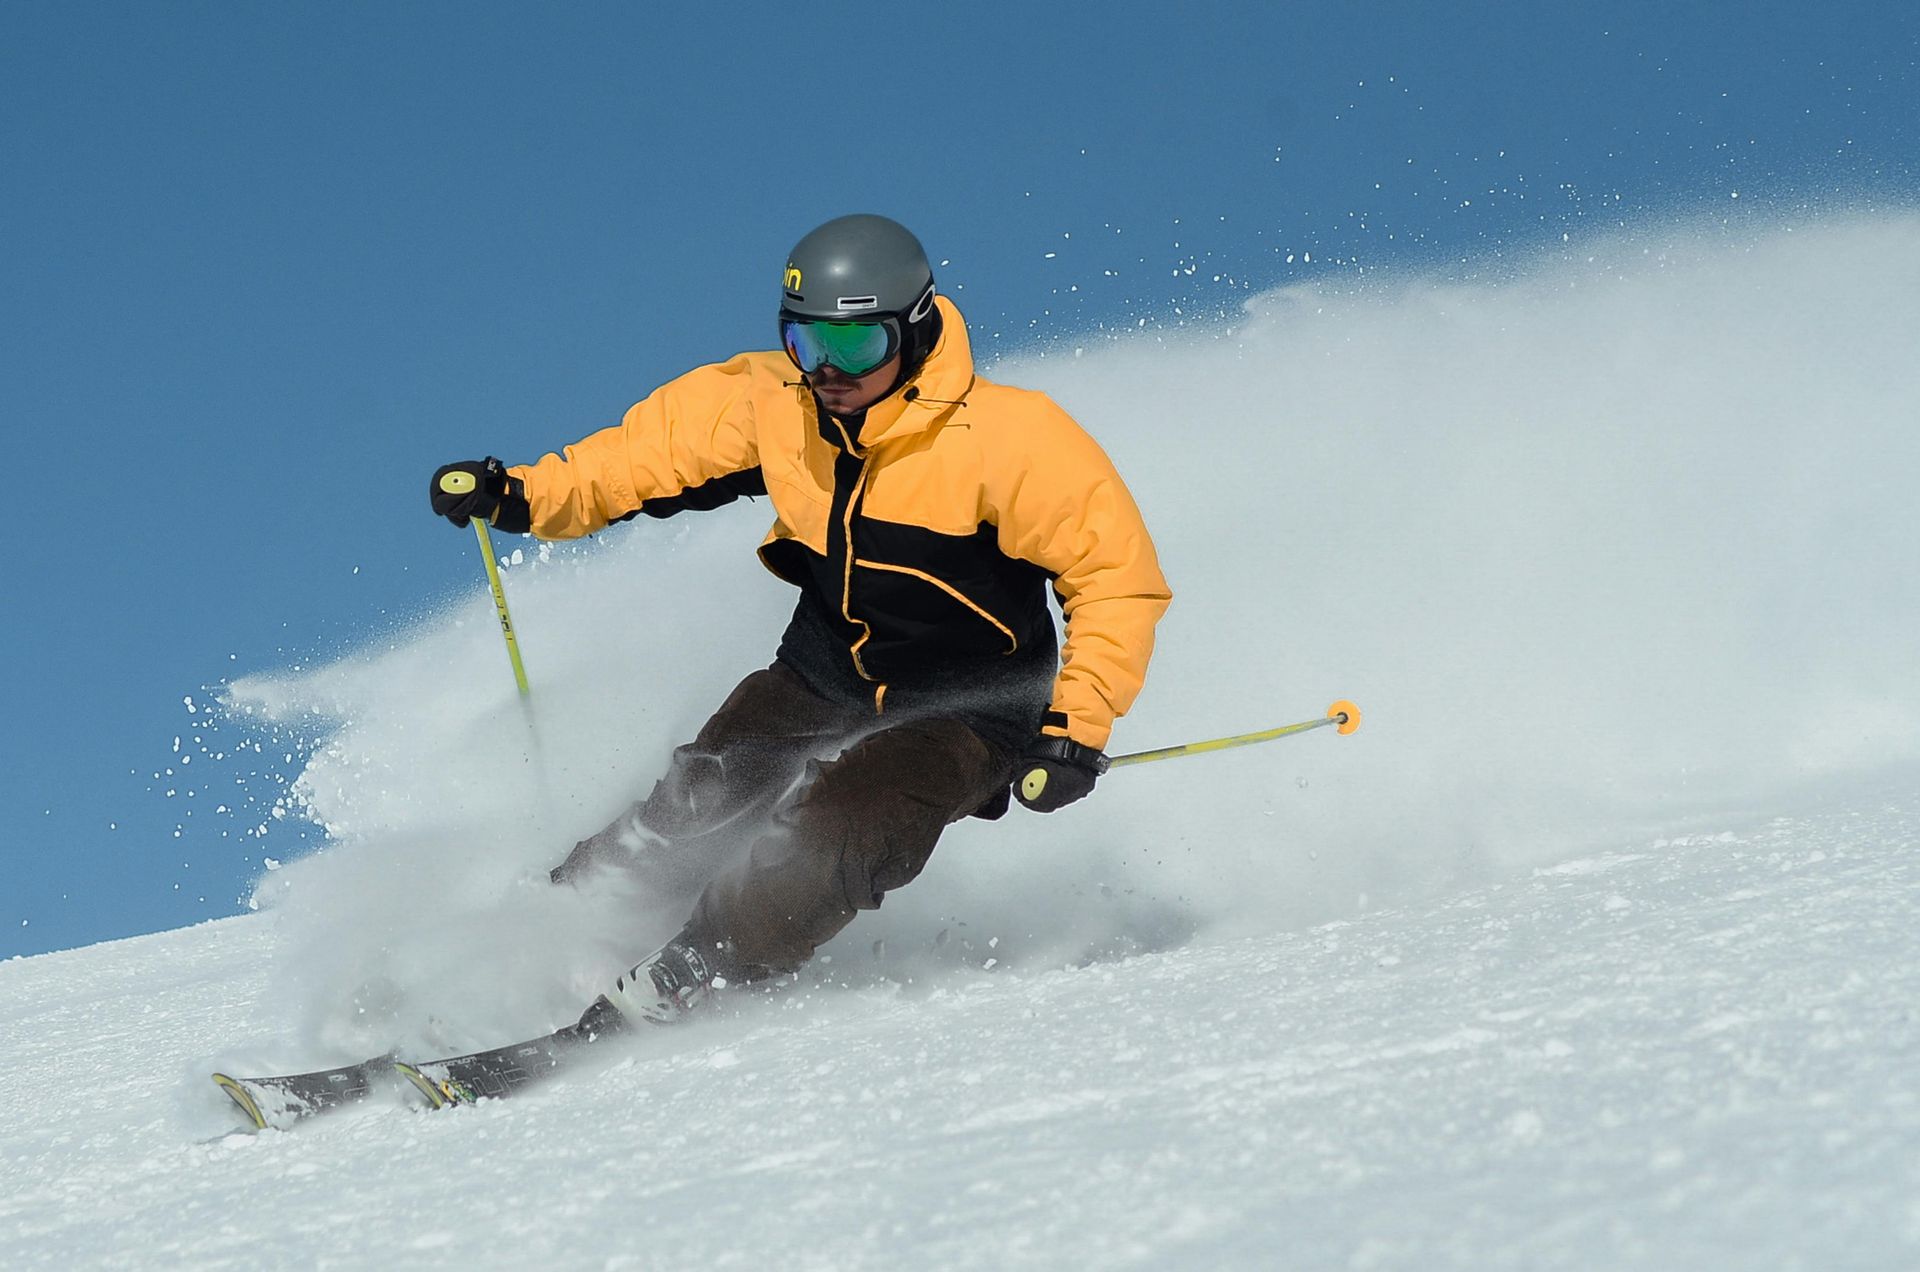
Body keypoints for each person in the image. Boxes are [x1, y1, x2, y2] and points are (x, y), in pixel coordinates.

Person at [430, 214, 1170, 1029]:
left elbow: (1116, 579)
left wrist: (1075, 730)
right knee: (701, 797)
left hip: (974, 704)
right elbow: (645, 457)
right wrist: (528, 495)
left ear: (914, 330)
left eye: (851, 349)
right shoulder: (779, 406)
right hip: (827, 670)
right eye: (804, 344)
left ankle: (697, 968)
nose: (826, 372)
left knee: (839, 826)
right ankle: (547, 933)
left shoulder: (1012, 440)